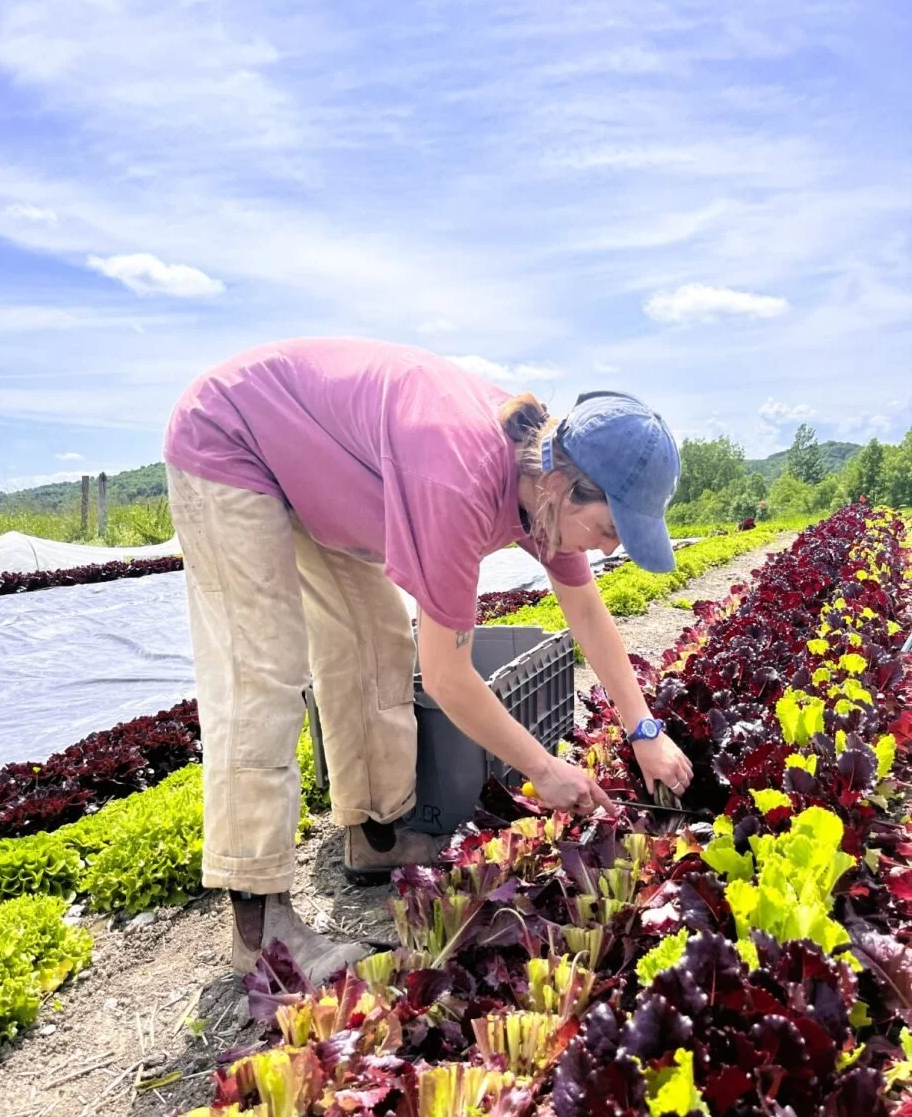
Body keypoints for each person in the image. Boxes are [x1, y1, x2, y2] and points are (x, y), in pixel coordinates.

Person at [164, 337, 693, 982]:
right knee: (263, 669)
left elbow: (586, 610)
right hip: (232, 439)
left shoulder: (549, 491)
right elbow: (447, 676)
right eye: (610, 531)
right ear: (563, 486)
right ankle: (261, 929)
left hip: (325, 471)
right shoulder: (460, 478)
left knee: (376, 640)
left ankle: (377, 834)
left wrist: (644, 732)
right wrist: (545, 768)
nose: (607, 548)